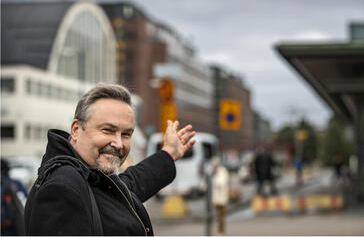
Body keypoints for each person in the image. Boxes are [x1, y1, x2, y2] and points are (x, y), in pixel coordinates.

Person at [24, 83, 196, 236]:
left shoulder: (89, 177)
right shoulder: (63, 187)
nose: (119, 143)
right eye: (107, 130)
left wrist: (168, 153)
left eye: (126, 134)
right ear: (76, 129)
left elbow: (128, 185)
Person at [1, 159, 28, 236]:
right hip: (19, 223)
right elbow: (27, 198)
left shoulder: (4, 184)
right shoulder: (17, 183)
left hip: (7, 226)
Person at [211, 157, 229, 235]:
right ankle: (220, 231)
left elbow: (221, 183)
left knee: (221, 216)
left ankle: (222, 232)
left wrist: (217, 174)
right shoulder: (214, 173)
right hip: (216, 198)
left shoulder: (222, 172)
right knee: (218, 216)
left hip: (222, 197)